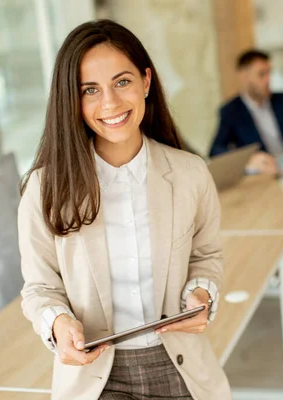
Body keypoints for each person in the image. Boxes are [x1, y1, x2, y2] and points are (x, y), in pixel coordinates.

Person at [18, 20, 230, 400]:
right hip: (97, 375)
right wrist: (58, 323)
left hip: (179, 364)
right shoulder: (44, 188)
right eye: (90, 90)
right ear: (72, 99)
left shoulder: (190, 174)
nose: (111, 104)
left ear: (146, 81)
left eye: (122, 82)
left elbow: (206, 256)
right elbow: (40, 287)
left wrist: (201, 294)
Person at [209, 49, 283, 174]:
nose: (268, 80)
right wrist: (248, 159)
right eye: (261, 74)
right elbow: (215, 150)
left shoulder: (282, 101)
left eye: (269, 73)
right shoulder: (231, 111)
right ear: (244, 76)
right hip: (263, 173)